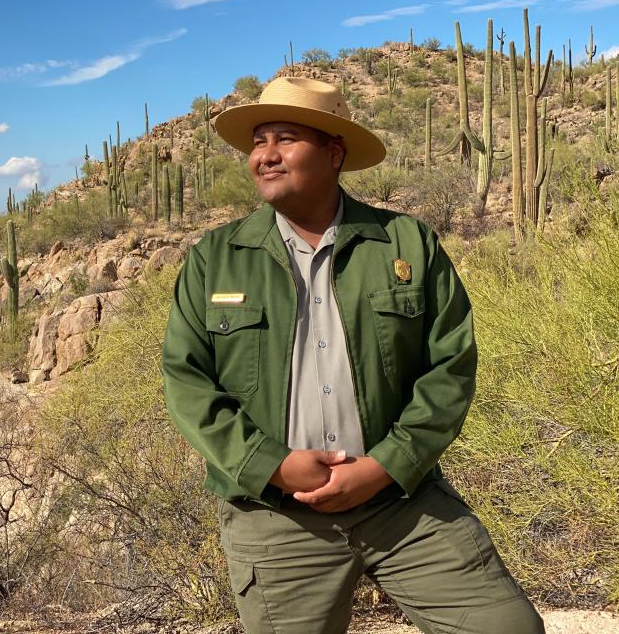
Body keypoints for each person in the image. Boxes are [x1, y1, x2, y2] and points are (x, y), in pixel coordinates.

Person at [160, 77, 544, 634]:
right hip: (276, 513)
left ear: (334, 152)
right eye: (258, 141)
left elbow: (449, 368)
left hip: (400, 502)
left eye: (284, 138)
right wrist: (271, 465)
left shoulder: (408, 244)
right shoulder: (215, 259)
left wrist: (386, 466)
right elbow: (186, 381)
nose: (264, 155)